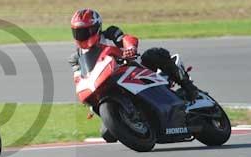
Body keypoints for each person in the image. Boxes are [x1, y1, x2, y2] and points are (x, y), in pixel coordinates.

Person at [68, 8, 199, 101]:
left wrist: (130, 48)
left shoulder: (110, 33)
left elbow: (126, 38)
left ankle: (188, 86)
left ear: (96, 28)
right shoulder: (76, 58)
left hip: (131, 71)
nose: (81, 36)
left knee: (153, 55)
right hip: (107, 84)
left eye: (85, 32)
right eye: (78, 32)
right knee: (108, 134)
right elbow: (79, 79)